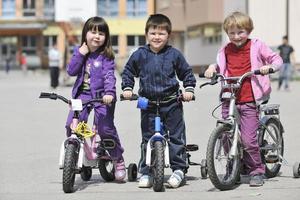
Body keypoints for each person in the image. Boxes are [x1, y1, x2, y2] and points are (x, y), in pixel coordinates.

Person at [204, 11, 282, 187]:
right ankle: (235, 166)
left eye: (241, 32)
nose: (236, 36)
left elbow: (276, 58)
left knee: (248, 140)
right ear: (227, 33)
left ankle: (256, 170)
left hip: (249, 98)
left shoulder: (257, 45)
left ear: (249, 30)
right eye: (232, 33)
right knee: (225, 134)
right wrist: (211, 68)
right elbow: (218, 64)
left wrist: (270, 67)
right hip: (228, 97)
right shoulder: (225, 49)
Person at [121, 14, 196, 189]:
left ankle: (179, 169)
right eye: (153, 33)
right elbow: (128, 72)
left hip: (172, 101)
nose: (157, 37)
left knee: (176, 137)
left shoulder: (174, 54)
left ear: (168, 35)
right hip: (146, 102)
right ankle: (146, 171)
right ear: (146, 34)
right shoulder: (139, 54)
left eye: (161, 33)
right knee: (147, 138)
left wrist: (189, 89)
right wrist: (127, 88)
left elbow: (186, 73)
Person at [65, 16, 126, 181]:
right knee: (73, 126)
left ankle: (117, 158)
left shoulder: (106, 56)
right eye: (93, 31)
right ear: (85, 34)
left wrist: (109, 93)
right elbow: (71, 71)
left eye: (101, 33)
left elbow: (109, 76)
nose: (96, 36)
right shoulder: (81, 53)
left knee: (105, 128)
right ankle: (83, 148)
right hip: (82, 96)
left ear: (106, 37)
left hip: (102, 97)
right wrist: (80, 54)